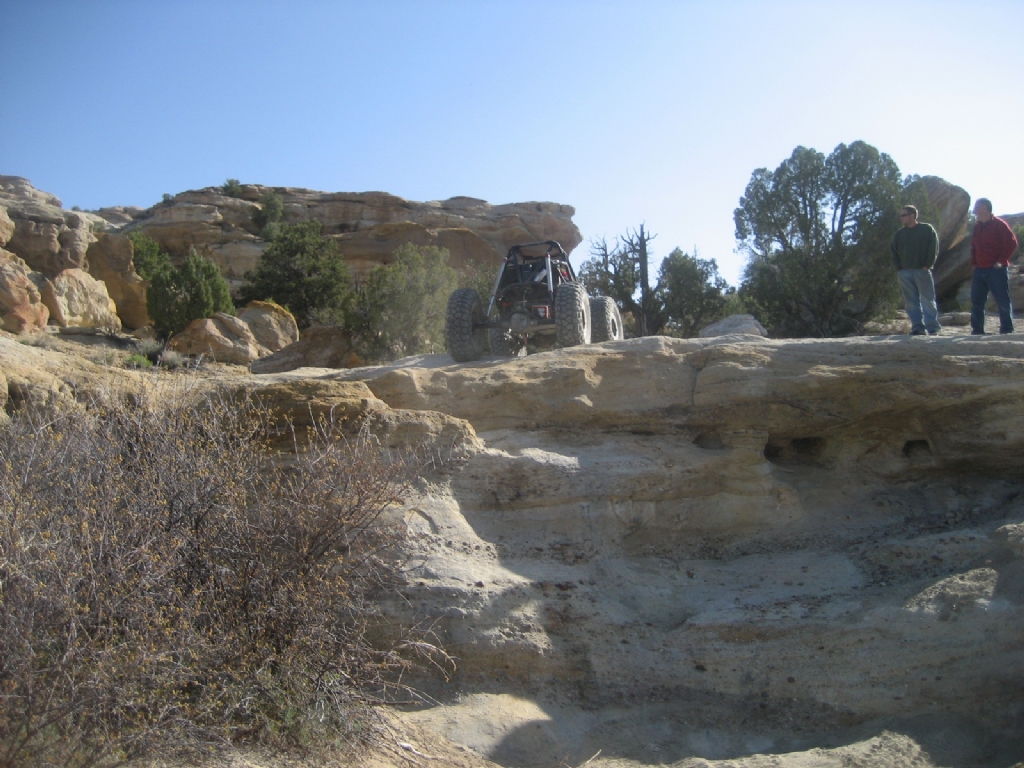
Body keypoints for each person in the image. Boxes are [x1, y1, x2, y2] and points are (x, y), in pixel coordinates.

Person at [969, 198, 1019, 335]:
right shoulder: (977, 226)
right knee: (977, 301)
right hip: (980, 269)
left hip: (996, 269)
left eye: (977, 208)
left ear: (985, 208)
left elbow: (1012, 243)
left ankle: (1007, 330)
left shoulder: (999, 224)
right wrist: (974, 263)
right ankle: (977, 330)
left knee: (1002, 300)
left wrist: (1001, 261)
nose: (974, 211)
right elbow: (974, 246)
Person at [890, 205, 940, 335]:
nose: (901, 218)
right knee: (910, 302)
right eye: (901, 215)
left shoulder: (926, 229)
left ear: (912, 216)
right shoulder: (899, 234)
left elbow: (933, 248)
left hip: (921, 270)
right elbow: (893, 252)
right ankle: (917, 327)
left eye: (903, 215)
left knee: (927, 299)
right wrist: (898, 268)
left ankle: (932, 327)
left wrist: (927, 265)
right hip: (905, 272)